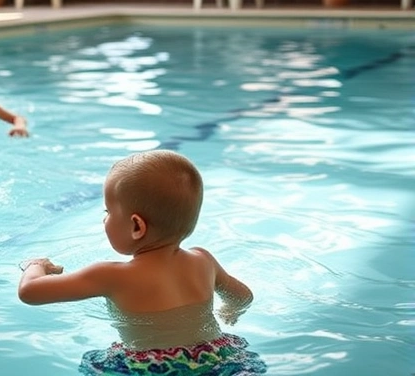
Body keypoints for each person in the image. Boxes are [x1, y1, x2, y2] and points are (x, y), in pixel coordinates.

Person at [17, 150, 266, 375]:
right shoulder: (203, 260)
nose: (104, 220)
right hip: (218, 360)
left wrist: (35, 265)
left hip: (151, 368)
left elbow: (30, 292)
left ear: (137, 226)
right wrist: (229, 310)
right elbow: (243, 297)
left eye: (108, 212)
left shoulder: (111, 276)